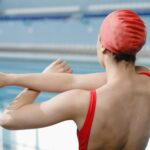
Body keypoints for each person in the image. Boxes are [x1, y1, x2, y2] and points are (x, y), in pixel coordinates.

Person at [0, 9, 150, 150]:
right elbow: (72, 81)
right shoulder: (145, 76)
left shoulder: (81, 102)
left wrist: (35, 87)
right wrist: (9, 78)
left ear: (102, 46)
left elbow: (7, 119)